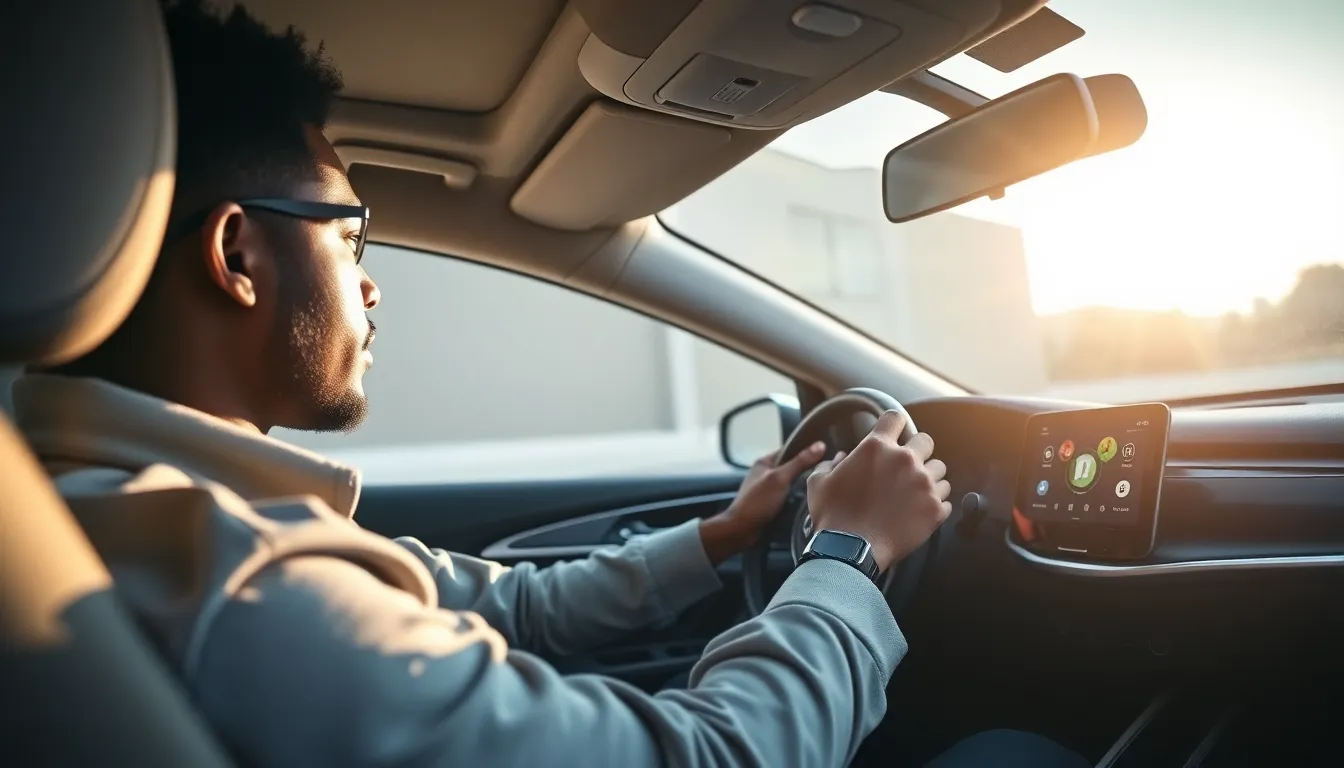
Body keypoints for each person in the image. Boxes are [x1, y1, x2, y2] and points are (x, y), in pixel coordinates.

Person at [11, 2, 1085, 766]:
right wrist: (849, 555)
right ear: (239, 254)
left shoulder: (161, 523)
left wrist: (722, 537)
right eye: (354, 235)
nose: (373, 290)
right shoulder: (243, 588)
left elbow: (505, 601)